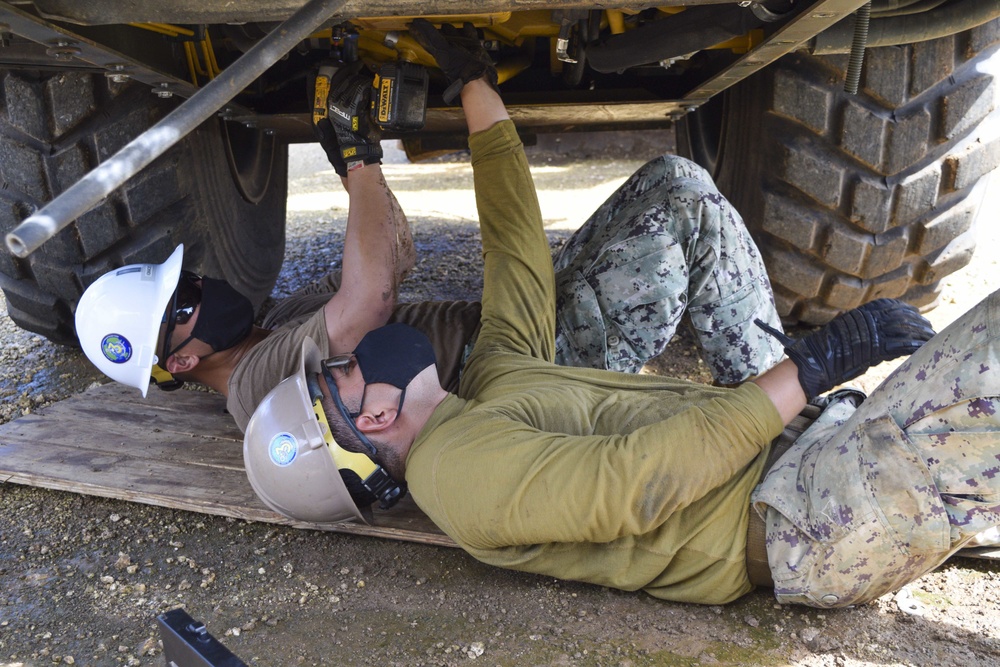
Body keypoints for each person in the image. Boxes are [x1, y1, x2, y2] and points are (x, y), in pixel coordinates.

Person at [243, 20, 1000, 611]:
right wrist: (815, 363)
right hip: (806, 517)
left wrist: (473, 86)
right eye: (341, 372)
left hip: (808, 451)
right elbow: (633, 482)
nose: (357, 351)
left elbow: (514, 256)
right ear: (369, 422)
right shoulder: (456, 477)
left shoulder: (482, 391)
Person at [75, 49, 786, 433]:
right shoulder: (255, 387)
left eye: (189, 279)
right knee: (683, 202)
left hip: (512, 329)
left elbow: (396, 255)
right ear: (184, 358)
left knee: (669, 177)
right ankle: (779, 408)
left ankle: (772, 393)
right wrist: (358, 161)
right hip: (519, 368)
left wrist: (351, 152)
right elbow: (371, 298)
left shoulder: (280, 319)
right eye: (186, 298)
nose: (203, 284)